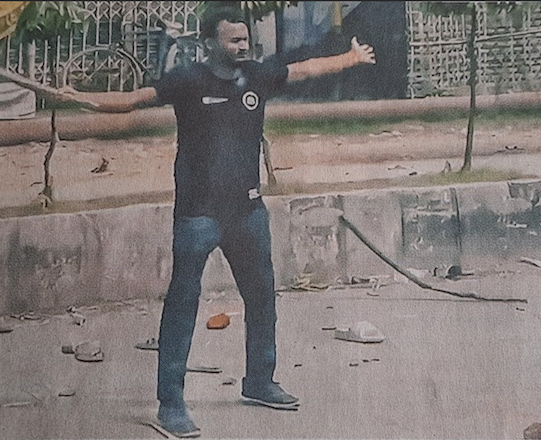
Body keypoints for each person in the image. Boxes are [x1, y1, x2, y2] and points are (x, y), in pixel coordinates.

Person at [64, 6, 375, 438]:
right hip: (198, 213)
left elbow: (304, 69)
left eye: (245, 39)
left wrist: (350, 58)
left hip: (247, 211)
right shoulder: (188, 80)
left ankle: (260, 381)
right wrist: (84, 100)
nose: (243, 46)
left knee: (263, 296)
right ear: (209, 42)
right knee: (183, 305)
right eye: (234, 40)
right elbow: (135, 100)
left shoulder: (258, 76)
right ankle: (171, 405)